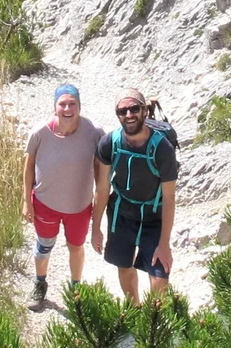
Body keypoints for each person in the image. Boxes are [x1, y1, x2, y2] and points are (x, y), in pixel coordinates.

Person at [23, 84, 102, 310]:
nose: (67, 108)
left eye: (72, 103)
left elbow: (101, 171)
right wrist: (26, 201)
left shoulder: (95, 133)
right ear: (55, 107)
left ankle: (75, 290)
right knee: (44, 246)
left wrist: (99, 204)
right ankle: (40, 284)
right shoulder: (40, 133)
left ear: (79, 106)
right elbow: (28, 168)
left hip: (79, 207)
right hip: (45, 203)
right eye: (62, 104)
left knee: (76, 247)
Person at [94, 88, 177, 303]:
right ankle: (134, 309)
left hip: (154, 215)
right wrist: (96, 229)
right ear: (117, 114)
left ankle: (153, 323)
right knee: (124, 264)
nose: (129, 115)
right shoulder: (109, 143)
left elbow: (169, 198)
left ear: (144, 111)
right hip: (121, 213)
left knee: (159, 276)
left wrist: (165, 243)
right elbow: (102, 189)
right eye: (123, 111)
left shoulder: (162, 149)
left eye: (134, 109)